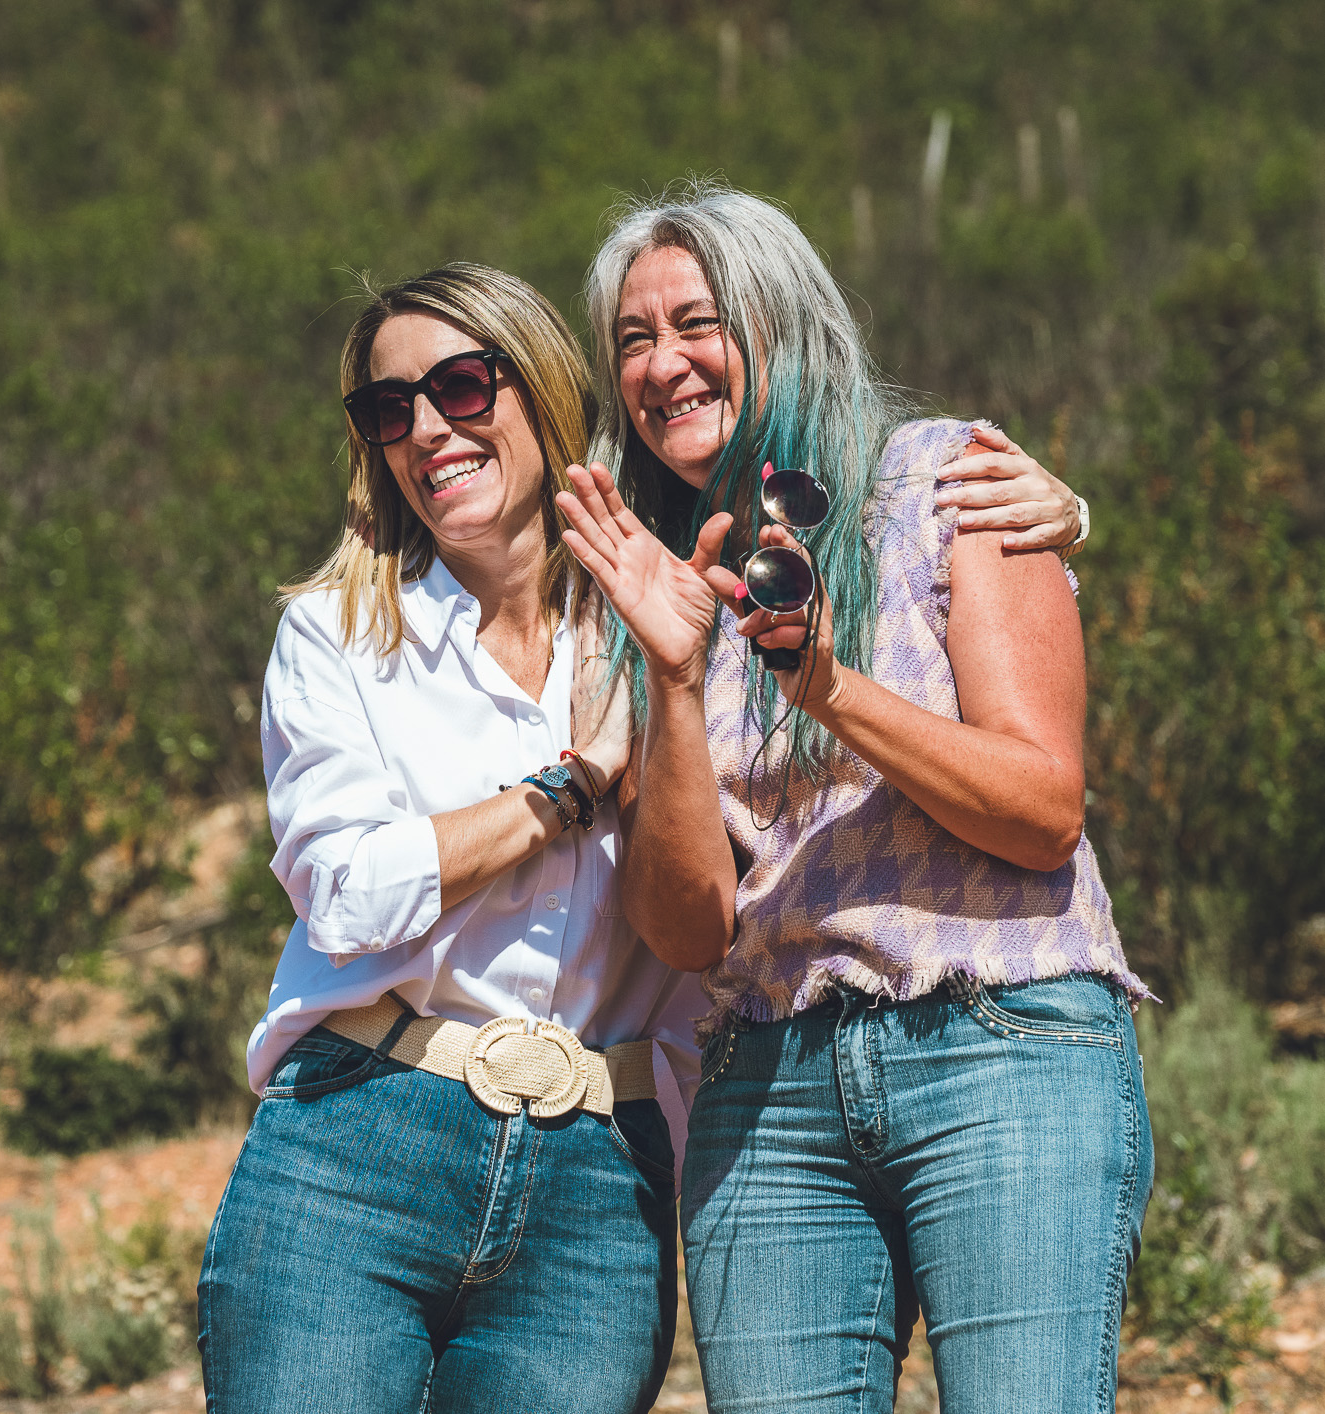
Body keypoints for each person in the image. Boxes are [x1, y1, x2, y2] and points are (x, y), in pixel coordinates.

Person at [194, 254, 1090, 1414]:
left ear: (542, 396)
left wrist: (1072, 515)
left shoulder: (659, 606)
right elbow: (353, 894)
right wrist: (572, 789)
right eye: (387, 409)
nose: (426, 429)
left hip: (596, 1169)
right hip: (361, 1135)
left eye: (464, 387)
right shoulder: (336, 633)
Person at [556, 181, 1150, 1412]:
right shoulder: (650, 586)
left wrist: (824, 684)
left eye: (694, 323)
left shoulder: (946, 483)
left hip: (1005, 1044)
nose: (662, 364)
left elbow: (1043, 807)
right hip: (765, 1087)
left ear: (783, 320)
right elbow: (686, 932)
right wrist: (672, 678)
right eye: (631, 339)